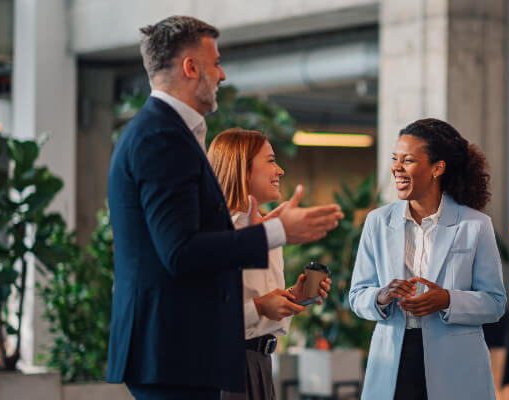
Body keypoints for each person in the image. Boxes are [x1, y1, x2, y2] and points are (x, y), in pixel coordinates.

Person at [106, 16, 343, 400]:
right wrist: (278, 232)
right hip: (172, 351)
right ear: (190, 66)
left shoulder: (166, 133)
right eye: (215, 63)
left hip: (177, 351)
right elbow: (180, 251)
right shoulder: (162, 137)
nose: (223, 74)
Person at [349, 118, 507, 400]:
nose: (396, 167)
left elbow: (495, 303)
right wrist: (381, 296)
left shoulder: (475, 225)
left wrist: (446, 299)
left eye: (408, 160)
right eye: (395, 159)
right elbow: (357, 295)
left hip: (456, 365)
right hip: (393, 361)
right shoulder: (378, 222)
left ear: (437, 168)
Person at [207, 128, 332, 400]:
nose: (280, 170)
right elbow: (206, 316)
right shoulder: (214, 233)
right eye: (271, 160)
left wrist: (293, 297)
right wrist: (261, 306)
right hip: (225, 364)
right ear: (243, 168)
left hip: (261, 364)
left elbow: (262, 306)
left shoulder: (268, 229)